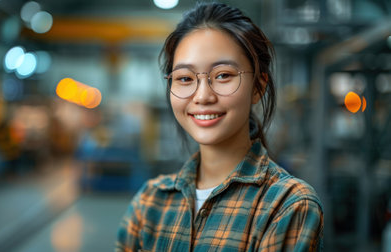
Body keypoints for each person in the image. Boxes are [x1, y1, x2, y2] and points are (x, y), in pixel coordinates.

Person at [116, 2, 323, 251]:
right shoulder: (149, 202)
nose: (202, 96)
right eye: (184, 78)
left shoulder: (286, 205)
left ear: (258, 86)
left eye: (223, 75)